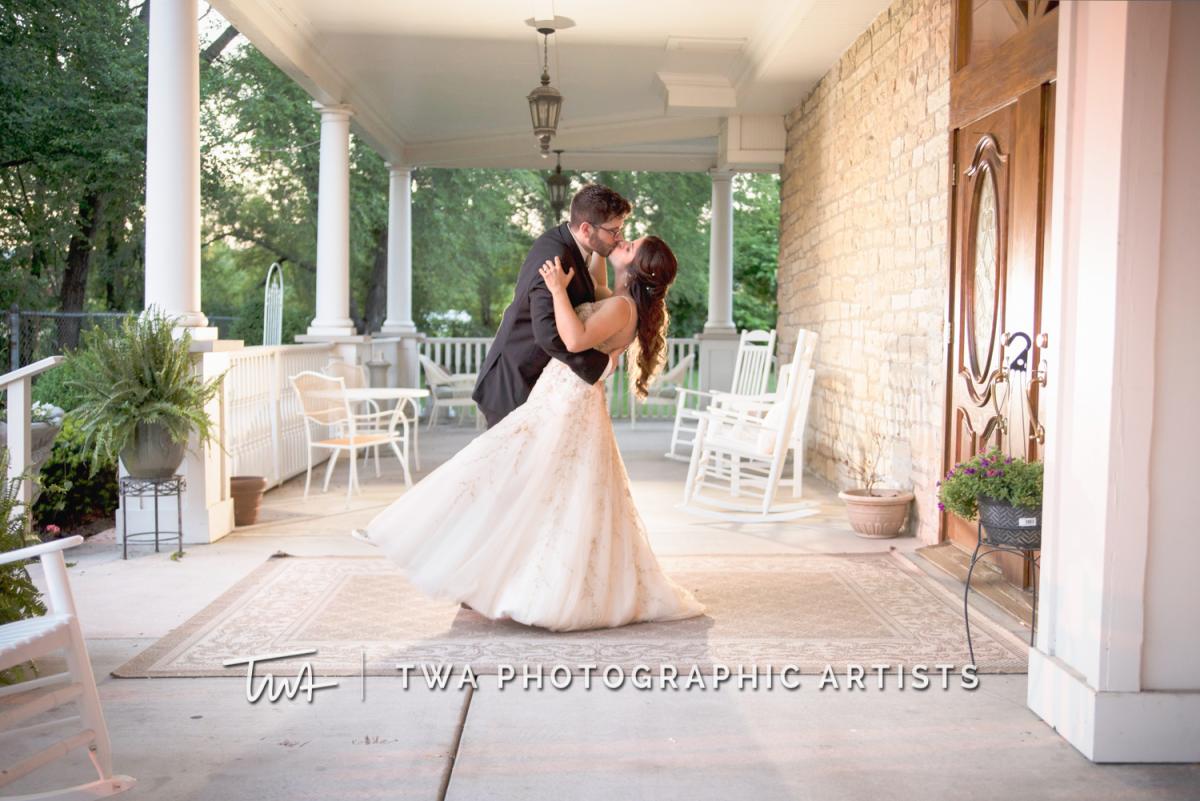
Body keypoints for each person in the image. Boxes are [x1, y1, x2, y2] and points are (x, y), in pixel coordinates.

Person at [352, 222, 705, 632]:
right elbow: (595, 284)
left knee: (501, 468)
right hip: (560, 396)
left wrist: (556, 290)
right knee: (532, 485)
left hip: (567, 403)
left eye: (632, 245)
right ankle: (482, 566)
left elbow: (573, 340)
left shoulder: (621, 309)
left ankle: (421, 538)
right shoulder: (621, 302)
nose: (624, 241)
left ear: (640, 266)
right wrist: (597, 246)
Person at [472, 184, 631, 428]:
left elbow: (593, 289)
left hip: (536, 383)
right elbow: (547, 334)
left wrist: (605, 247)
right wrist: (603, 364)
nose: (619, 237)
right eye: (614, 231)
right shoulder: (555, 258)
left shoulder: (575, 245)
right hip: (514, 383)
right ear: (587, 229)